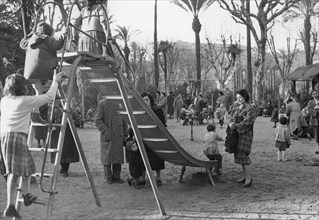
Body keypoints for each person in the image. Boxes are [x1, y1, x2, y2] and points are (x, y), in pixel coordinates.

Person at [0, 72, 64, 218]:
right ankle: (10, 205)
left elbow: (32, 106)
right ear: (21, 88)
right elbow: (48, 97)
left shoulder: (4, 101)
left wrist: (36, 90)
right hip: (16, 136)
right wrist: (55, 81)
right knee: (15, 173)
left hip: (5, 136)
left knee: (26, 169)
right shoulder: (24, 101)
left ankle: (26, 194)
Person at [20, 21, 65, 124]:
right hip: (42, 70)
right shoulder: (46, 40)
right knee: (54, 78)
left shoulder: (31, 40)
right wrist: (62, 35)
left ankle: (35, 113)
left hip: (30, 72)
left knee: (38, 91)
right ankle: (54, 94)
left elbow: (22, 44)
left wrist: (30, 34)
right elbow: (57, 45)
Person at [95, 97, 128, 184]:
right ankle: (108, 176)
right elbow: (97, 120)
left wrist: (125, 132)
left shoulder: (120, 103)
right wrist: (106, 131)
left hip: (118, 135)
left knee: (117, 156)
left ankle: (117, 176)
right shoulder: (102, 104)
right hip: (108, 135)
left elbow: (124, 118)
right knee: (107, 156)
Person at [228, 89, 256, 188]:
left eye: (240, 98)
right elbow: (233, 116)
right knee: (239, 154)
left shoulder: (250, 108)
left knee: (243, 154)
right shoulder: (239, 108)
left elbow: (248, 122)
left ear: (245, 97)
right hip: (238, 134)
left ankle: (248, 177)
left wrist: (236, 125)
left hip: (245, 134)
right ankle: (245, 176)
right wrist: (232, 122)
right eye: (237, 98)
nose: (239, 100)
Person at [140, 93, 166, 186]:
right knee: (142, 155)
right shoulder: (139, 112)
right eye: (143, 100)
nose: (145, 102)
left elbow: (163, 125)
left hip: (155, 137)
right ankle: (142, 176)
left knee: (157, 156)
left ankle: (158, 176)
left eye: (147, 100)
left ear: (150, 101)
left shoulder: (158, 111)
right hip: (143, 137)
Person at [50, 102, 80, 177]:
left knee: (67, 151)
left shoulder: (71, 111)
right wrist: (52, 127)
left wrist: (73, 121)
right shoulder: (55, 111)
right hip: (57, 132)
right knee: (59, 151)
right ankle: (62, 168)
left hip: (68, 133)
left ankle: (65, 169)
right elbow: (51, 121)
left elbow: (77, 122)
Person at [307, 90, 319, 154]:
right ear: (312, 95)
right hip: (315, 120)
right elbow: (310, 111)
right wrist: (316, 110)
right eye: (314, 94)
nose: (315, 95)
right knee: (317, 135)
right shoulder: (310, 102)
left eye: (316, 93)